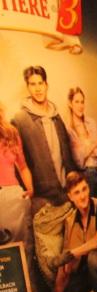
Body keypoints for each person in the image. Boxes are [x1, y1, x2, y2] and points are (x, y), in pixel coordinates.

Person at [12, 66, 79, 214]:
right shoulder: (20, 120)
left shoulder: (56, 116)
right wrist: (30, 195)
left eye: (40, 83)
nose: (38, 89)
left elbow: (68, 155)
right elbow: (18, 164)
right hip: (42, 201)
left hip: (67, 194)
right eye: (32, 84)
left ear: (46, 85)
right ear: (27, 87)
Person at [51, 171, 97, 292]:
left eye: (84, 189)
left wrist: (72, 253)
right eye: (77, 192)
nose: (83, 196)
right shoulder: (70, 221)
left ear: (89, 188)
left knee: (93, 258)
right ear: (70, 197)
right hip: (83, 272)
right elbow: (64, 262)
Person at [66, 87, 97, 215]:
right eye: (76, 102)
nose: (80, 105)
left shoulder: (91, 122)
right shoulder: (69, 129)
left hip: (96, 172)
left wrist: (86, 148)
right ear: (70, 103)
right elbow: (79, 160)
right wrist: (94, 144)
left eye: (82, 102)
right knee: (91, 216)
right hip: (84, 176)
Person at [0, 101, 35, 268]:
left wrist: (30, 190)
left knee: (23, 249)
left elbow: (23, 166)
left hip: (14, 197)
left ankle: (28, 284)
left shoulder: (11, 134)